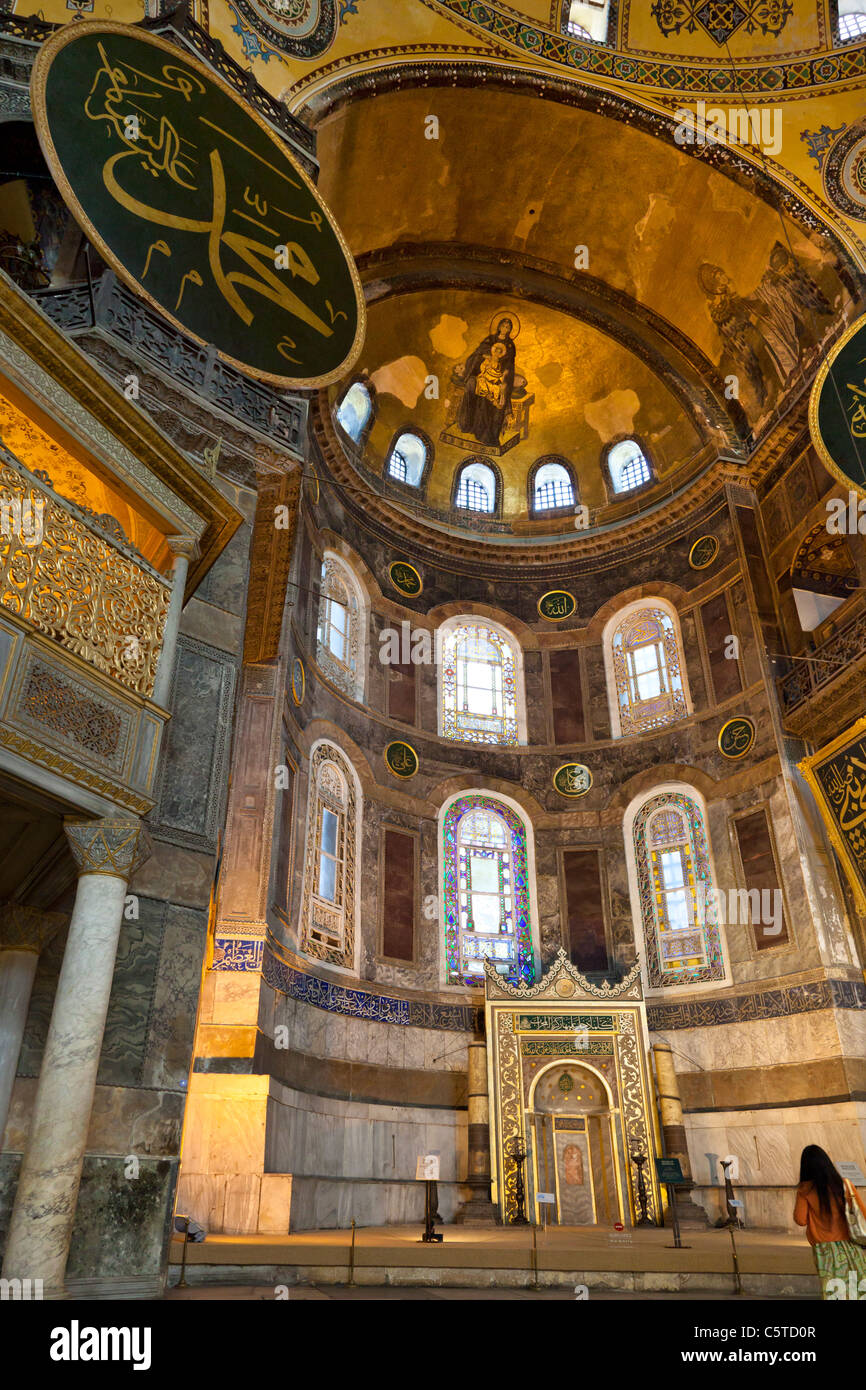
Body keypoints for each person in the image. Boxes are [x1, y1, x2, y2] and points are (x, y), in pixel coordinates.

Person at [794, 1144, 866, 1299]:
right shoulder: (845, 1185)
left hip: (824, 1249)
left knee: (835, 1292)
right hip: (852, 1244)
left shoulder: (805, 1189)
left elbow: (800, 1220)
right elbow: (862, 1212)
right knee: (858, 1288)